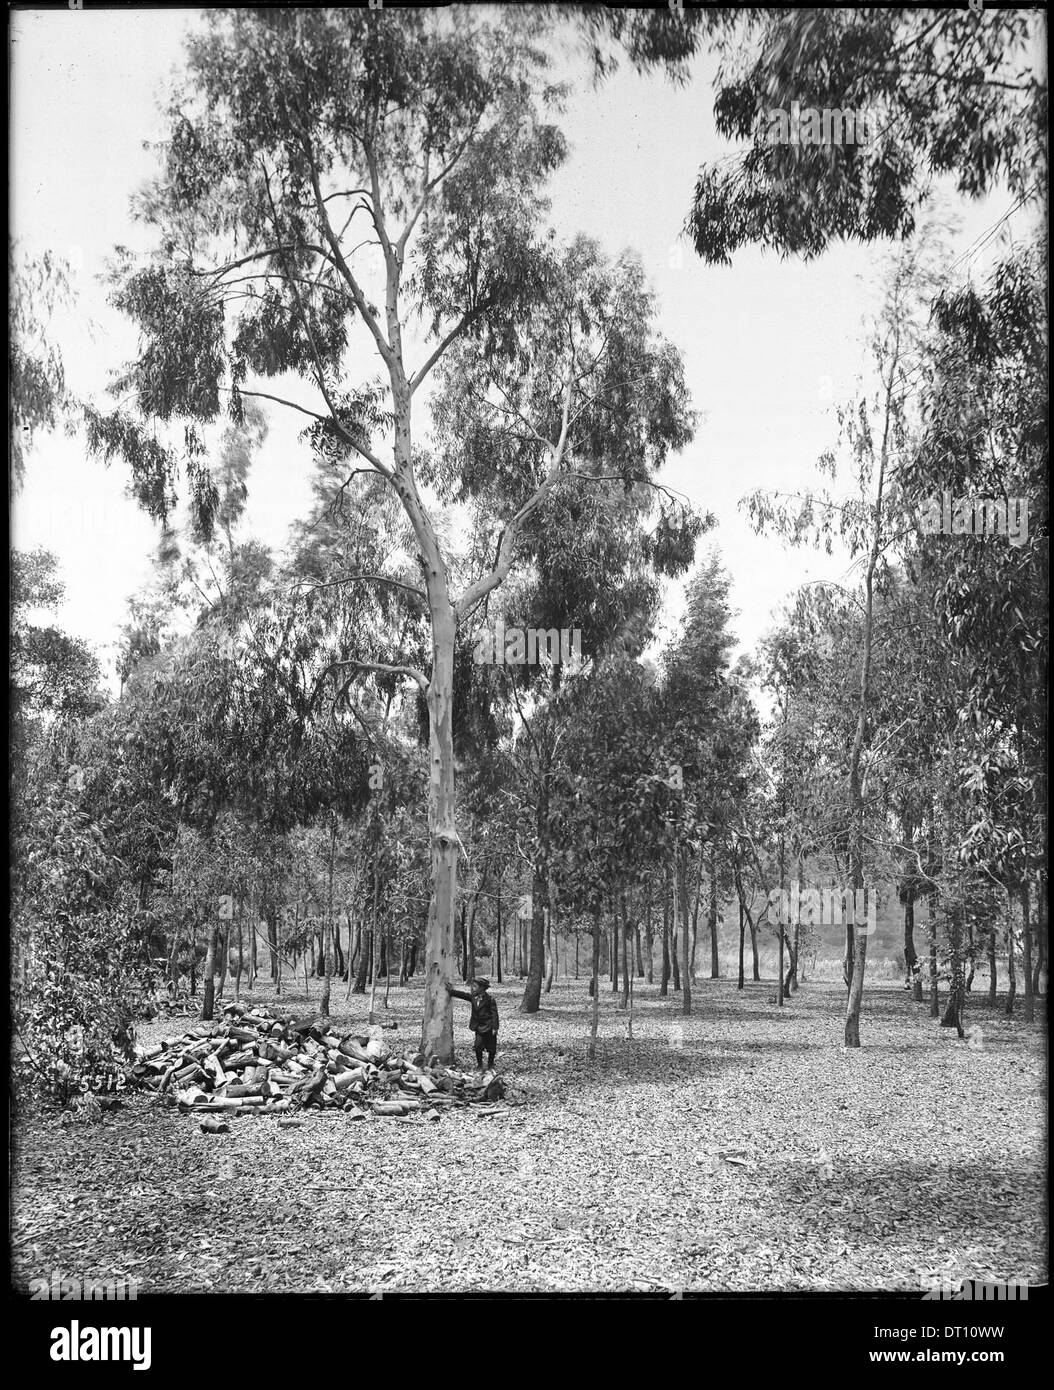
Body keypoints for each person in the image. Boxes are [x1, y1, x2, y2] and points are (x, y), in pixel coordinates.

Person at [446, 977, 499, 1071]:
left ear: (482, 988)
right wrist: (452, 991)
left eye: (475, 986)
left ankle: (491, 1064)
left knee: (491, 1047)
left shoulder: (490, 999)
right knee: (478, 1046)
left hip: (488, 1027)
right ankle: (479, 1065)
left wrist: (495, 1027)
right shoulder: (473, 997)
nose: (473, 988)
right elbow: (463, 995)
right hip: (478, 1027)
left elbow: (494, 1014)